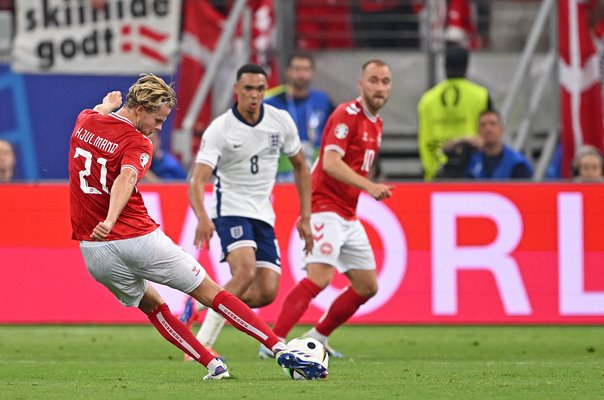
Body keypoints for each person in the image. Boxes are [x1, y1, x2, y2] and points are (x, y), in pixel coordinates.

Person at [68, 73, 326, 380]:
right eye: (158, 119)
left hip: (94, 252)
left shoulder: (85, 120)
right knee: (210, 292)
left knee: (153, 307)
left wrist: (106, 106)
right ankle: (280, 348)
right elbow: (127, 178)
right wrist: (110, 219)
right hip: (136, 238)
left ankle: (213, 366)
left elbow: (98, 117)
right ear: (140, 109)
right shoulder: (138, 142)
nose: (158, 129)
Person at [268, 60, 394, 358]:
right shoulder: (345, 115)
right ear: (361, 84)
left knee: (367, 285)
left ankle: (318, 336)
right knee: (320, 277)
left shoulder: (376, 123)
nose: (380, 87)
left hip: (347, 212)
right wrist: (369, 185)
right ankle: (272, 341)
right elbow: (330, 162)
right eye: (373, 80)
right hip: (325, 205)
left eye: (385, 81)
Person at [187, 64, 313, 359]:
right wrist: (203, 217)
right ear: (237, 90)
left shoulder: (280, 121)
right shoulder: (220, 128)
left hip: (263, 212)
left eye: (260, 89)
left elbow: (301, 167)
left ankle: (203, 305)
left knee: (266, 292)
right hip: (229, 207)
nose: (255, 95)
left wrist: (305, 216)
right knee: (244, 274)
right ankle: (199, 346)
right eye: (248, 89)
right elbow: (198, 179)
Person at [417, 42, 492, 180]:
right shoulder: (481, 95)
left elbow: (423, 138)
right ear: (467, 65)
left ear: (444, 65)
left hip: (435, 174)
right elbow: (489, 132)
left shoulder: (427, 100)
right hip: (472, 173)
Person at [264, 51, 334, 182]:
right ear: (288, 72)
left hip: (315, 173)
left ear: (313, 73)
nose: (302, 74)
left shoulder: (323, 100)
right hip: (280, 177)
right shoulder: (271, 103)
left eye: (306, 70)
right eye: (297, 69)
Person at [461, 109, 533, 179]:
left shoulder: (517, 163)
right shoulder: (471, 161)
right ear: (478, 130)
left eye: (493, 124)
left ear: (502, 129)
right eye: (483, 125)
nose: (488, 129)